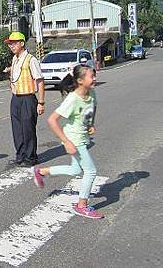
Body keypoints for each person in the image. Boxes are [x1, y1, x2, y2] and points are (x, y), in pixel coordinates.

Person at [31, 64, 103, 219]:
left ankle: (41, 172)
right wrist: (66, 142)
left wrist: (91, 124)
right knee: (90, 171)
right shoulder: (72, 99)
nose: (95, 78)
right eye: (92, 76)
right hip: (73, 139)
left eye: (94, 75)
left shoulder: (92, 93)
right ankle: (81, 205)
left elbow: (93, 107)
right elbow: (52, 120)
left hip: (82, 137)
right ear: (80, 80)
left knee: (76, 170)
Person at [3, 32, 45, 166]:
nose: (11, 46)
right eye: (10, 44)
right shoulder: (15, 59)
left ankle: (30, 157)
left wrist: (41, 102)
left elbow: (40, 81)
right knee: (17, 129)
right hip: (16, 99)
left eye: (14, 43)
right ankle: (20, 156)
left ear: (22, 43)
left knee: (28, 129)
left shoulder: (31, 60)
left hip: (28, 98)